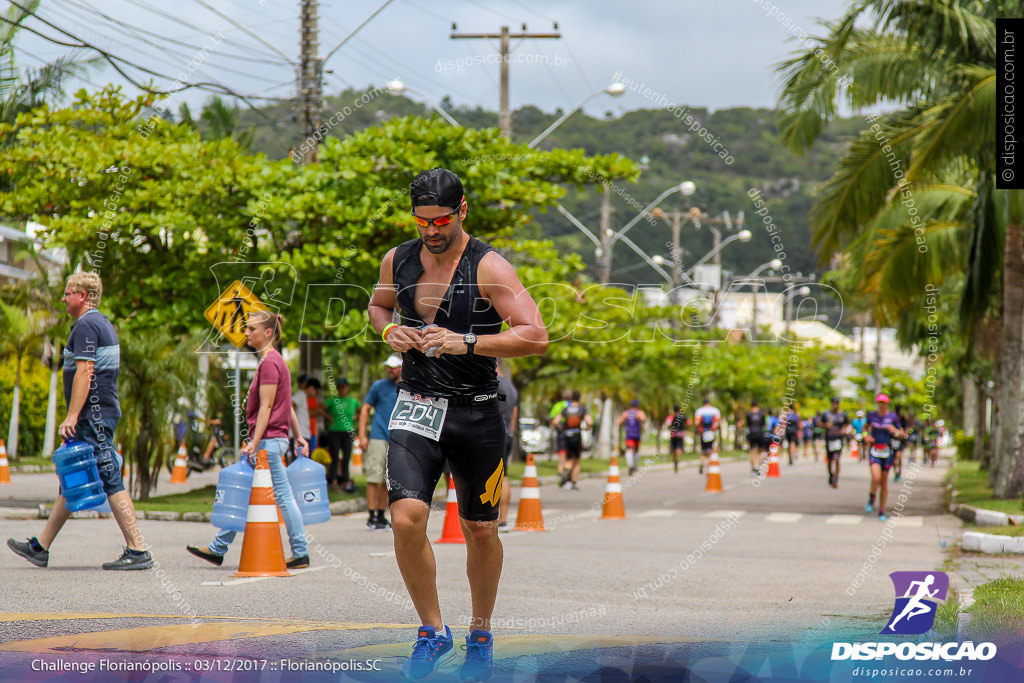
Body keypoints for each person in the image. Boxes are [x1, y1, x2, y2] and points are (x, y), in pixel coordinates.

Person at [367, 167, 548, 680]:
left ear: (463, 209)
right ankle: (431, 630)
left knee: (481, 530)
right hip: (417, 404)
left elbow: (535, 334)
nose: (431, 230)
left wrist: (465, 342)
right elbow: (378, 307)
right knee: (405, 518)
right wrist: (391, 333)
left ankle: (481, 631)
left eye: (441, 219)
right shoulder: (397, 259)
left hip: (477, 411)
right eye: (422, 220)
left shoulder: (488, 267)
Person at [8, 273, 154, 570]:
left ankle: (138, 549)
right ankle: (41, 546)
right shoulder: (101, 323)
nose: (63, 298)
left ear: (84, 296)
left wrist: (72, 416)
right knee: (71, 478)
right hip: (97, 414)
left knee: (110, 477)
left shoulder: (87, 325)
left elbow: (85, 373)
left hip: (93, 416)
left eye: (68, 293)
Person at [187, 310, 309, 568]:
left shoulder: (269, 363)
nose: (246, 333)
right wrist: (297, 436)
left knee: (283, 497)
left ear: (267, 333)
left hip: (268, 443)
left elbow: (267, 407)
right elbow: (285, 406)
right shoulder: (274, 361)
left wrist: (254, 441)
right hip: (272, 440)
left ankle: (300, 551)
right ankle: (218, 548)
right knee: (243, 493)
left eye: (251, 329)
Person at [358, 355, 403, 531]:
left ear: (401, 367)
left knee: (387, 480)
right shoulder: (378, 386)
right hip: (378, 436)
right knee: (373, 477)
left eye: (393, 367)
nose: (390, 370)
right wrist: (362, 435)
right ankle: (370, 516)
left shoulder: (406, 387)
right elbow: (365, 409)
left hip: (397, 439)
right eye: (388, 367)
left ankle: (380, 515)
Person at [864, 393, 904, 521]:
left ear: (887, 404)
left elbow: (902, 434)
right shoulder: (872, 416)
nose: (881, 405)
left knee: (884, 482)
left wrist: (895, 431)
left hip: (887, 451)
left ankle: (882, 510)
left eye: (884, 403)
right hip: (875, 450)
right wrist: (866, 436)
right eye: (879, 403)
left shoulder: (892, 417)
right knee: (876, 478)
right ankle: (872, 497)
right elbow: (864, 428)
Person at [324, 378, 360, 492]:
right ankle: (333, 480)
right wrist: (329, 417)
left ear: (347, 388)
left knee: (346, 457)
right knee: (334, 456)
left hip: (348, 431)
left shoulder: (353, 402)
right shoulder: (333, 401)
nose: (341, 389)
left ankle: (345, 481)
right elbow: (319, 409)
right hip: (334, 431)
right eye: (339, 387)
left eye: (343, 387)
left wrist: (355, 418)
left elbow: (361, 411)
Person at [495, 363, 518, 530]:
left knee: (493, 477)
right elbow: (514, 417)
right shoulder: (511, 387)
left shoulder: (492, 383)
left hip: (493, 435)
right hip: (507, 434)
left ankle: (493, 519)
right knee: (504, 476)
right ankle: (502, 519)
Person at [554, 391, 592, 489]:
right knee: (576, 461)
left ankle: (565, 474)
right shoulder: (582, 409)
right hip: (577, 436)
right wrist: (586, 428)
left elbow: (555, 421)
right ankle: (573, 482)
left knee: (568, 459)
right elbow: (590, 422)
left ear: (571, 398)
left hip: (567, 435)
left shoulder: (566, 409)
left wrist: (562, 428)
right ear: (579, 398)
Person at [821, 397, 850, 488]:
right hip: (829, 438)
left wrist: (844, 430)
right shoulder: (826, 414)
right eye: (833, 403)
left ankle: (836, 478)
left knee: (837, 459)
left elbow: (847, 424)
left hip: (838, 438)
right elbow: (819, 423)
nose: (835, 404)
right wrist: (825, 425)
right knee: (830, 460)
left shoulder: (843, 415)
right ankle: (831, 474)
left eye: (836, 403)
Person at [617, 399, 646, 476]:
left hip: (629, 434)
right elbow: (643, 419)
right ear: (637, 406)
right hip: (636, 434)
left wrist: (624, 424)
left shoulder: (626, 413)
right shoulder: (639, 413)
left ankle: (630, 466)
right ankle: (634, 466)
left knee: (629, 450)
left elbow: (619, 422)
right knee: (636, 450)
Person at [693, 398, 721, 475]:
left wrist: (698, 430)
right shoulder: (715, 410)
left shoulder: (699, 411)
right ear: (710, 403)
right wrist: (716, 429)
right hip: (711, 433)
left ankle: (702, 462)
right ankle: (708, 471)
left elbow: (696, 423)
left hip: (703, 432)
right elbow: (719, 423)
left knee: (703, 451)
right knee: (709, 452)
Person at [665, 404, 690, 473]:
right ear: (679, 409)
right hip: (680, 434)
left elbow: (668, 424)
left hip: (673, 434)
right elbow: (689, 423)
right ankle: (678, 458)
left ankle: (675, 459)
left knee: (673, 449)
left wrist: (669, 428)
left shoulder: (671, 417)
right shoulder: (682, 417)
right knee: (679, 448)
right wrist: (686, 427)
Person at [549, 391, 570, 473]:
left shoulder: (556, 405)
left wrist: (557, 426)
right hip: (570, 430)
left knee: (561, 452)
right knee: (569, 453)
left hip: (560, 430)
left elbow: (552, 418)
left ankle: (560, 470)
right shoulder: (570, 404)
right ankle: (567, 469)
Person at [745, 400, 767, 477]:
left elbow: (748, 425)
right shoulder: (762, 414)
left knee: (752, 451)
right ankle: (758, 466)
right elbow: (764, 425)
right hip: (760, 433)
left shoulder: (749, 414)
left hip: (752, 434)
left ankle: (753, 468)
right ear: (758, 405)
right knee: (761, 451)